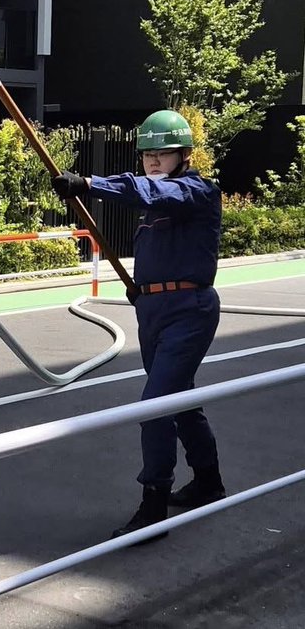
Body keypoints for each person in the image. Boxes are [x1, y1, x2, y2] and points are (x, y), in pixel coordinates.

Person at [52, 109, 225, 541]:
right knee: (180, 401)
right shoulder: (153, 205)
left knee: (154, 406)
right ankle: (209, 481)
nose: (153, 161)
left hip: (189, 311)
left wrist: (88, 184)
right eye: (148, 154)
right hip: (153, 310)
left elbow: (146, 189)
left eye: (162, 154)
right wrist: (143, 290)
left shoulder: (197, 191)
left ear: (184, 155)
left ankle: (153, 504)